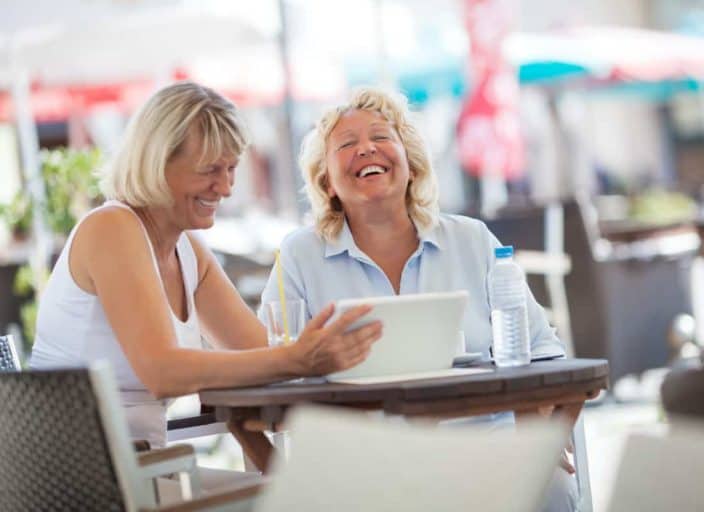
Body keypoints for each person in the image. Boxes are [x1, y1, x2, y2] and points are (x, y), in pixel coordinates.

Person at [258, 87, 575, 512]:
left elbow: (543, 351)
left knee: (549, 490)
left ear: (410, 163)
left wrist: (532, 438)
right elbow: (277, 367)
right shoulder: (300, 255)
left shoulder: (473, 240)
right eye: (347, 144)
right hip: (367, 465)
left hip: (485, 450)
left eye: (381, 137)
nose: (366, 148)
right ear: (326, 182)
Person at [29, 81, 382, 450]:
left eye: (231, 169)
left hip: (141, 469)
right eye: (210, 170)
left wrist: (325, 355)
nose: (226, 187)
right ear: (157, 162)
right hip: (73, 475)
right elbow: (162, 372)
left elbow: (255, 353)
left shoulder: (186, 249)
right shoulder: (112, 229)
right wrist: (295, 359)